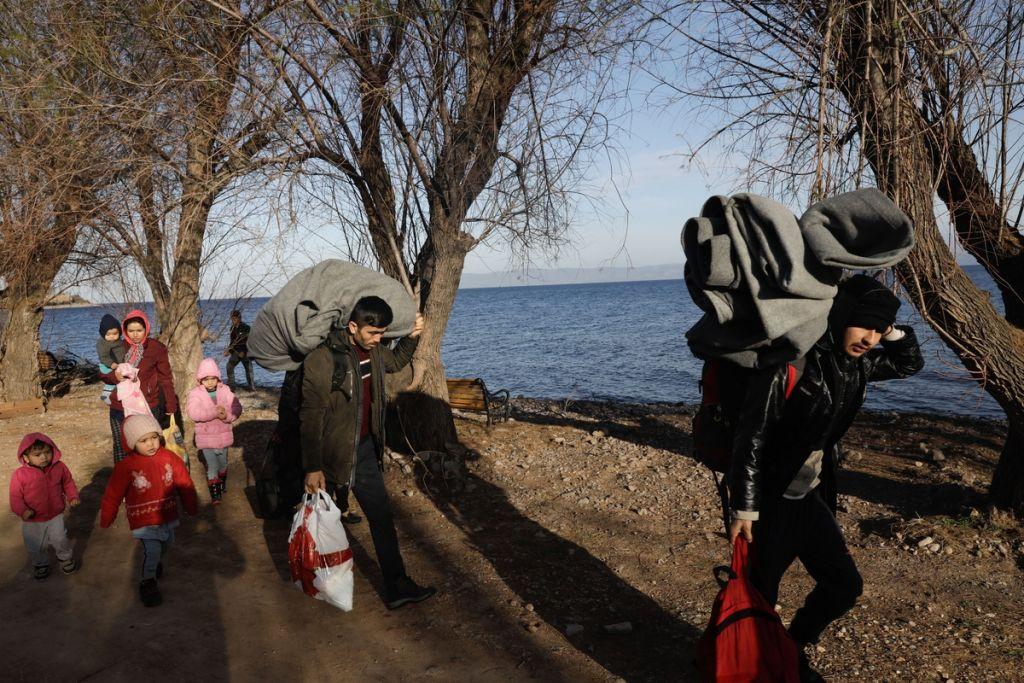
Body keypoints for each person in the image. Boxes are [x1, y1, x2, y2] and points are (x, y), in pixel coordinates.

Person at [726, 275, 923, 682]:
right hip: (772, 499)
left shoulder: (857, 363)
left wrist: (890, 329)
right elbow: (751, 436)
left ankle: (792, 645)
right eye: (863, 324)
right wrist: (744, 505)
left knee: (844, 586)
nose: (870, 339)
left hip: (812, 495)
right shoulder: (791, 363)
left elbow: (909, 362)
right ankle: (756, 664)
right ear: (840, 316)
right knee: (760, 596)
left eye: (877, 330)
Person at [300, 296, 435, 610]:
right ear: (353, 326)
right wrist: (312, 465)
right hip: (330, 454)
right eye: (373, 333)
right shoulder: (323, 359)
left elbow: (397, 361)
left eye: (383, 333)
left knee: (381, 517)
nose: (378, 339)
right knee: (322, 520)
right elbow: (310, 415)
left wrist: (411, 337)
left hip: (362, 450)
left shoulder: (374, 352)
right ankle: (318, 583)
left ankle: (397, 585)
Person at [99, 414, 198, 607]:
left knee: (168, 543)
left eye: (154, 437)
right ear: (131, 444)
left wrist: (191, 505)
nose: (151, 444)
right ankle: (148, 583)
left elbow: (184, 482)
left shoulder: (170, 458)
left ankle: (154, 563)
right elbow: (113, 494)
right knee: (152, 551)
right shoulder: (126, 467)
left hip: (167, 514)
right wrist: (107, 517)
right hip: (143, 519)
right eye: (143, 441)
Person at [96, 310, 180, 463]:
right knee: (122, 446)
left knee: (148, 446)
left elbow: (165, 379)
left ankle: (150, 479)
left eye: (139, 330)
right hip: (119, 406)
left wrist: (171, 406)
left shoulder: (156, 348)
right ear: (125, 331)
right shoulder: (117, 346)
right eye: (131, 331)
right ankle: (124, 482)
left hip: (148, 404)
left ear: (146, 329)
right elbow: (102, 372)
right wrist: (114, 376)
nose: (135, 334)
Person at [9, 433, 80, 579]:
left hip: (55, 515)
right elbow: (15, 497)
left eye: (47, 452)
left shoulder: (59, 467)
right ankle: (40, 564)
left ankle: (65, 558)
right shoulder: (20, 475)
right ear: (26, 457)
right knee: (35, 544)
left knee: (60, 539)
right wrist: (22, 511)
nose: (44, 457)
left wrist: (72, 496)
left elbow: (68, 482)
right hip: (32, 519)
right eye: (37, 454)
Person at [186, 357, 243, 505]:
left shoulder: (225, 391)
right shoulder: (195, 394)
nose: (210, 382)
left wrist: (227, 416)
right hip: (206, 439)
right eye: (206, 379)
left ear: (218, 378)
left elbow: (237, 407)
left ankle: (222, 482)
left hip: (223, 436)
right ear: (200, 380)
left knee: (223, 464)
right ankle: (215, 495)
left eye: (213, 378)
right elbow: (193, 413)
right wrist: (214, 412)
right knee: (212, 467)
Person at [96, 313, 124, 406]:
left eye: (115, 333)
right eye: (108, 334)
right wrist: (111, 364)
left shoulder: (119, 341)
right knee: (112, 381)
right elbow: (103, 356)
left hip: (117, 364)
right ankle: (106, 394)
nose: (112, 336)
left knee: (118, 381)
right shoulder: (102, 343)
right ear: (103, 334)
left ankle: (115, 394)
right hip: (107, 365)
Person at [223, 309, 254, 391]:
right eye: (232, 318)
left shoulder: (246, 328)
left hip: (246, 352)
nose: (233, 320)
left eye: (234, 318)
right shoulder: (232, 329)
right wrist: (229, 351)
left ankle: (252, 387)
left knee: (248, 369)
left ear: (239, 318)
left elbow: (249, 342)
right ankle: (232, 387)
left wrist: (244, 351)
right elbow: (232, 342)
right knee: (229, 367)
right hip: (236, 353)